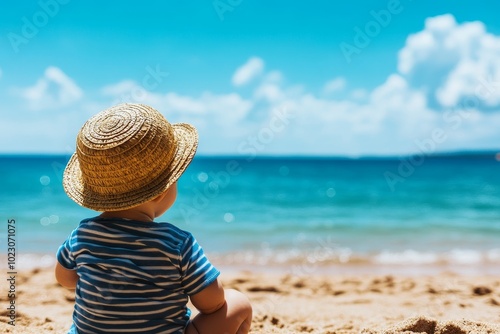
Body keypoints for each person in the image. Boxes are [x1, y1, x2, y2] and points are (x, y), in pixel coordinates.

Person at [55, 103, 252, 334]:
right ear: (161, 191)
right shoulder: (177, 243)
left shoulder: (81, 235)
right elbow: (213, 302)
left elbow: (65, 279)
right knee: (238, 303)